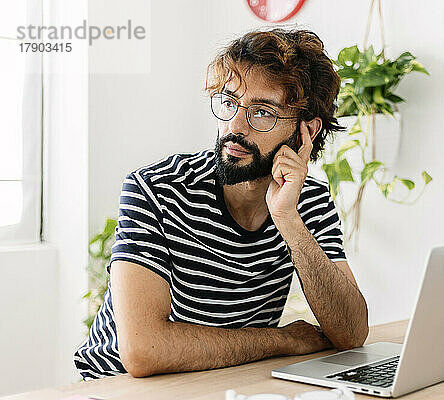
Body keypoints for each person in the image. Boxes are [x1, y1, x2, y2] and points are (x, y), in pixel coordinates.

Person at [73, 28, 369, 380]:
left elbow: (350, 334)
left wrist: (288, 218)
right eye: (229, 103)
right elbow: (143, 351)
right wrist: (283, 340)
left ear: (306, 130)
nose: (235, 126)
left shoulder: (308, 200)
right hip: (119, 387)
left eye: (262, 112)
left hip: (222, 379)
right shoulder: (156, 188)